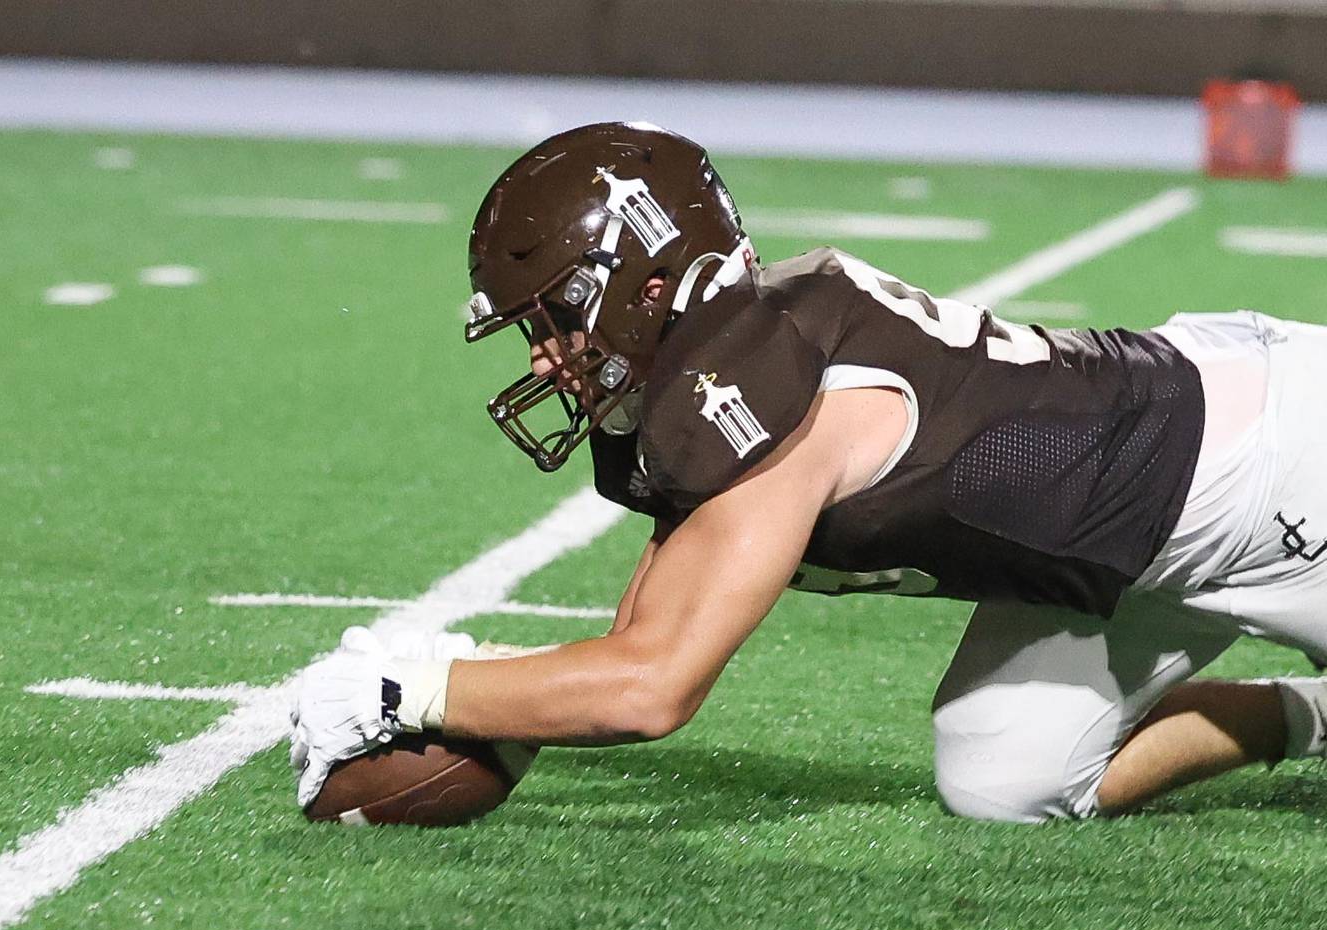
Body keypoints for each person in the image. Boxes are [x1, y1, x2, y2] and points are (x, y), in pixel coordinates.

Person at [290, 122, 1327, 823]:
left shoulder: (764, 398)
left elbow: (651, 689)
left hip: (1278, 463)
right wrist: (487, 711)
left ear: (647, 285)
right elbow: (639, 635)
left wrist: (415, 691)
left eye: (558, 319)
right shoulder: (716, 366)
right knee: (1004, 776)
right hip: (1129, 539)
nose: (544, 358)